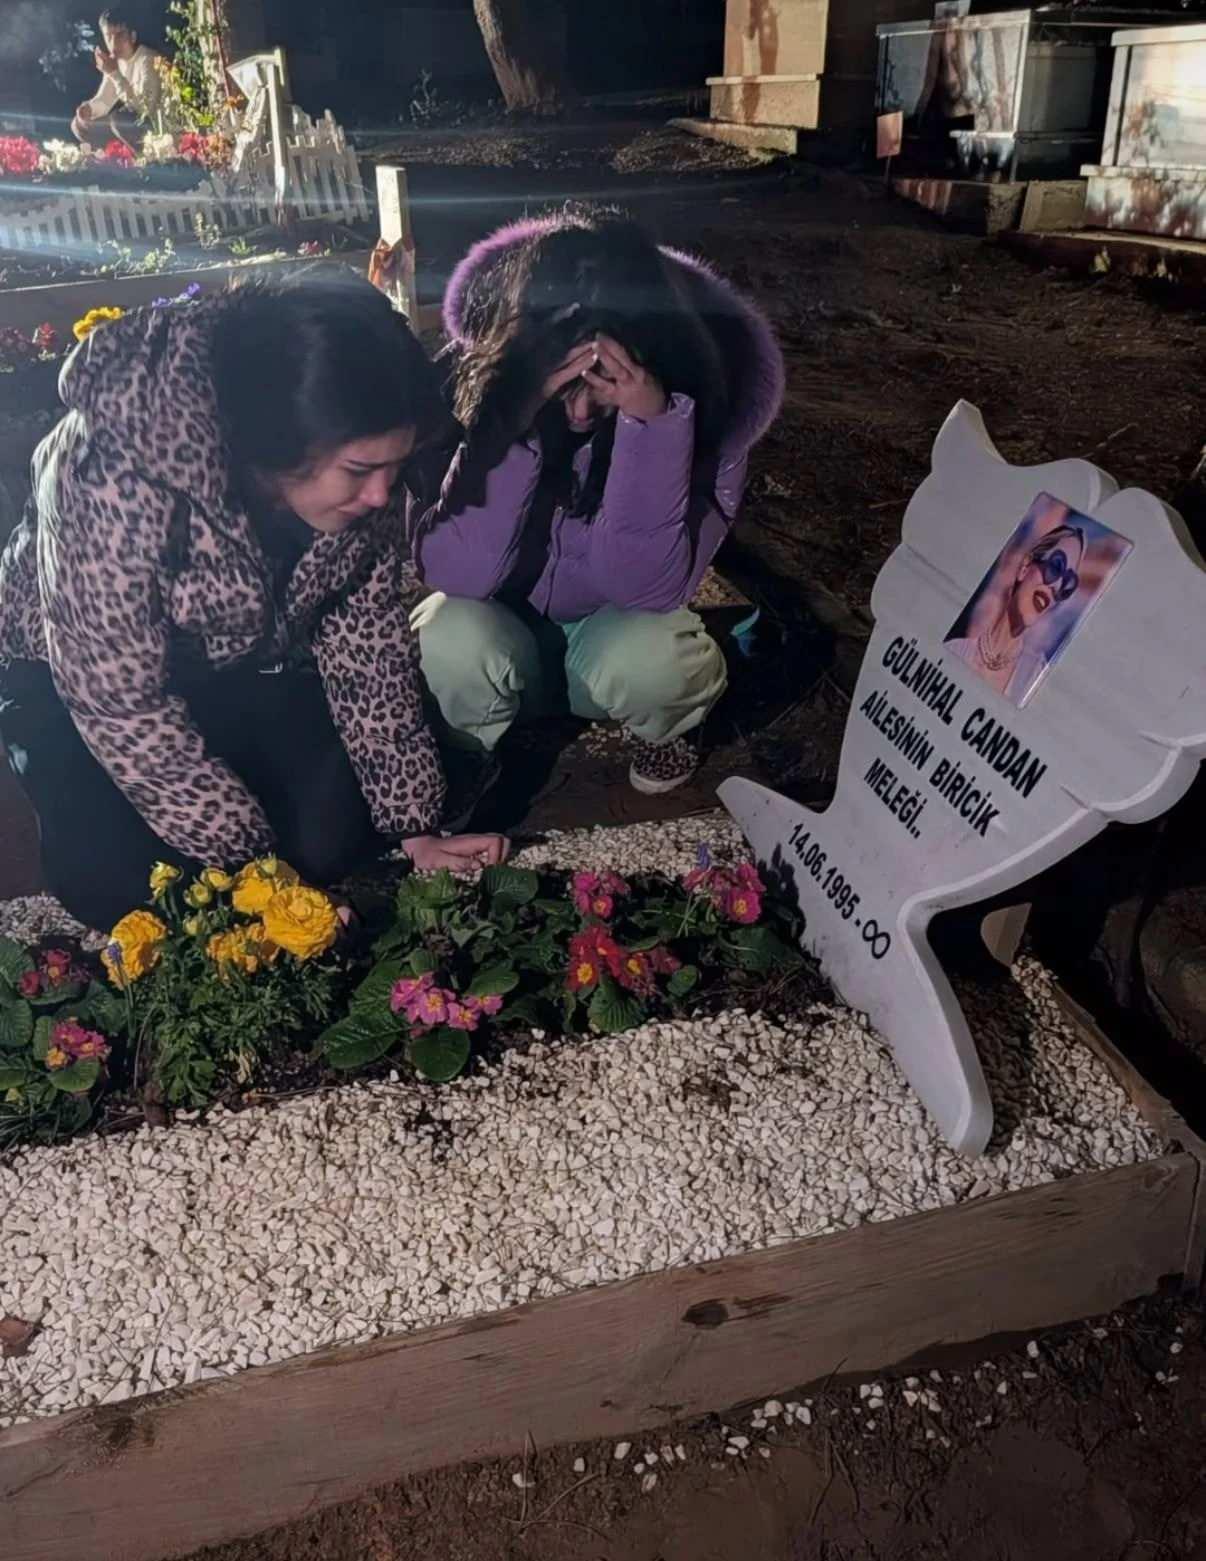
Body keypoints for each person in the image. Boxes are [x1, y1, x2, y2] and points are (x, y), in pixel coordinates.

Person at [0, 267, 507, 931]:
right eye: (359, 471)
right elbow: (119, 700)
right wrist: (260, 877)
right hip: (68, 683)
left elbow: (369, 647)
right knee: (116, 881)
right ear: (273, 445)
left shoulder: (359, 468)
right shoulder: (106, 466)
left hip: (230, 664)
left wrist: (415, 827)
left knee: (333, 839)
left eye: (395, 466)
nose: (383, 496)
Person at [407, 207, 784, 796]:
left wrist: (651, 427)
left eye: (604, 388)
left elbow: (643, 589)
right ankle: (469, 745)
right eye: (564, 387)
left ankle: (668, 726)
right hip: (502, 640)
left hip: (609, 640)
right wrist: (512, 425)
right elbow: (455, 573)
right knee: (445, 632)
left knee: (653, 658)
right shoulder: (469, 392)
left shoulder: (703, 418)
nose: (581, 413)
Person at [945, 524, 1085, 703]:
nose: (1056, 586)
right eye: (1056, 566)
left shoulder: (1036, 679)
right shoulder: (954, 649)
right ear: (1025, 567)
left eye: (1067, 585)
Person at [72, 10, 164, 153]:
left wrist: (114, 73)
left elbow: (145, 108)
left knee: (120, 120)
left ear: (132, 36)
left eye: (120, 35)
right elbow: (105, 100)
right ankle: (113, 159)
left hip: (157, 127)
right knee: (79, 125)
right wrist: (88, 109)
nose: (114, 42)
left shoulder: (148, 59)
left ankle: (147, 159)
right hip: (135, 122)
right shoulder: (115, 62)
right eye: (109, 36)